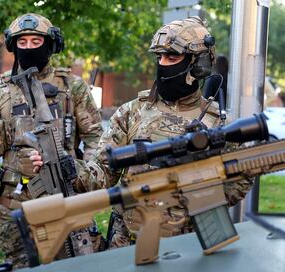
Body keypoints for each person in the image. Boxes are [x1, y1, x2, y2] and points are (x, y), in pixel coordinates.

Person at [31, 16, 253, 249]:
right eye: (160, 57)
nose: (163, 64)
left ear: (198, 64)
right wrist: (64, 165)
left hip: (188, 246)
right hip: (127, 243)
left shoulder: (218, 124)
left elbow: (239, 181)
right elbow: (101, 173)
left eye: (172, 57)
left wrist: (197, 189)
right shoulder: (132, 112)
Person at [0, 13, 103, 269]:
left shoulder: (72, 87)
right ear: (13, 45)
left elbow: (96, 138)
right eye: (23, 42)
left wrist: (86, 175)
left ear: (50, 44)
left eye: (36, 41)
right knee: (19, 265)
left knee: (76, 263)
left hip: (65, 192)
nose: (28, 48)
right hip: (14, 198)